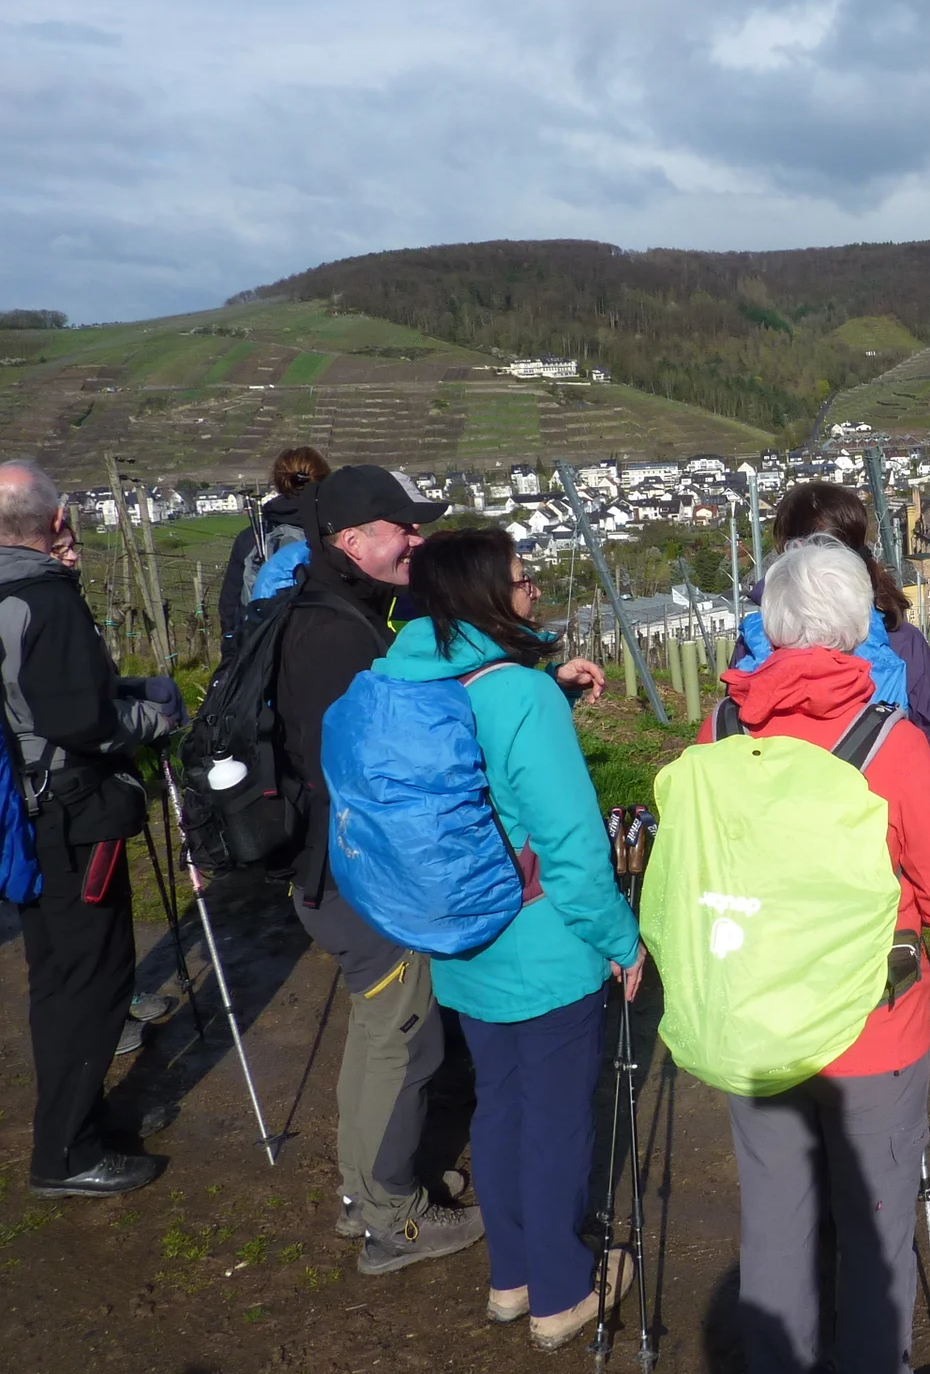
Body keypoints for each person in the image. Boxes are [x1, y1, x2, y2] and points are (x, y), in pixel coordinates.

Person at [699, 534, 930, 1373]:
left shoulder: (717, 730)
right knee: (874, 1231)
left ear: (771, 625)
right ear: (861, 624)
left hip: (756, 1019)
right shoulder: (888, 745)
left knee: (775, 1224)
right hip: (872, 1028)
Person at [368, 527, 639, 1349]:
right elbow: (573, 847)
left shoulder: (412, 682)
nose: (533, 591)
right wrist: (621, 940)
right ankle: (561, 1292)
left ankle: (512, 1278)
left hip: (458, 936)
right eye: (521, 580)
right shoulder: (519, 696)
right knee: (557, 1114)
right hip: (543, 942)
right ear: (486, 594)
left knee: (500, 1103)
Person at [275, 464, 481, 1274]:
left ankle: (365, 1191)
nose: (418, 540)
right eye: (404, 527)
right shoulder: (339, 636)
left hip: (327, 868)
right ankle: (392, 1220)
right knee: (405, 1040)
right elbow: (369, 770)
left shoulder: (326, 612)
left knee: (377, 1032)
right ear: (353, 541)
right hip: (358, 875)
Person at [0, 460, 182, 1198]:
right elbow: (84, 719)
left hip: (22, 814)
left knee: (55, 978)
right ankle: (68, 1153)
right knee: (95, 982)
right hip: (71, 816)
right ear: (56, 523)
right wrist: (156, 713)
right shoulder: (46, 599)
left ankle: (76, 1118)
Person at [733, 482, 930, 776]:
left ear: (787, 552)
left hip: (776, 809)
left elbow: (736, 735)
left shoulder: (755, 637)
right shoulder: (899, 639)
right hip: (874, 806)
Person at [218, 446, 329, 640]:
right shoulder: (338, 531)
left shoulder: (251, 536)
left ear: (279, 482)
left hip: (262, 647)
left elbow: (229, 607)